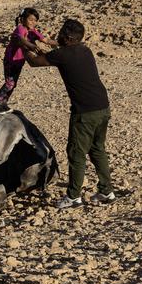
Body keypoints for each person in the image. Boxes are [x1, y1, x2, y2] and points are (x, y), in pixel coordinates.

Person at [26, 19, 114, 209]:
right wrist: (49, 44)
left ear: (67, 37)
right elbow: (58, 53)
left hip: (85, 112)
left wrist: (22, 43)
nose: (58, 34)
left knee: (76, 153)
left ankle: (73, 196)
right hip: (102, 107)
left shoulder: (63, 55)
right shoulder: (84, 50)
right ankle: (107, 191)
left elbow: (33, 62)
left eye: (61, 33)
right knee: (97, 149)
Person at [0, 7, 58, 114]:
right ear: (23, 19)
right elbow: (21, 39)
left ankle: (3, 102)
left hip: (19, 61)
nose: (33, 22)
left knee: (13, 83)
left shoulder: (33, 31)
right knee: (9, 83)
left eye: (35, 20)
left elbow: (46, 40)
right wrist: (31, 45)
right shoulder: (20, 28)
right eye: (30, 19)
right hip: (11, 60)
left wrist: (60, 43)